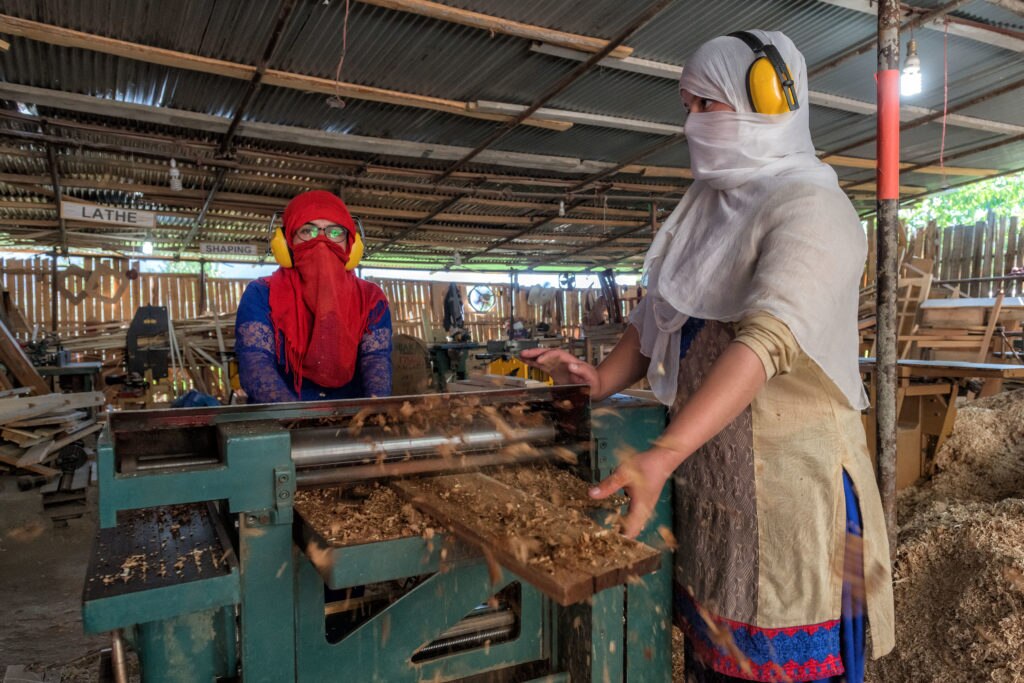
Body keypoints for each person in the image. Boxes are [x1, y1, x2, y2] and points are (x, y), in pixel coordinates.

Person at [523, 30, 894, 683]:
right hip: (714, 488)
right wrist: (600, 377)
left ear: (765, 102)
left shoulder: (816, 208)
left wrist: (664, 451)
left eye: (706, 105)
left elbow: (766, 341)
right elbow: (658, 315)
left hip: (798, 499)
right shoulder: (705, 209)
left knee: (796, 661)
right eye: (687, 107)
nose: (691, 124)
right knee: (716, 657)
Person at [235, 190, 392, 403]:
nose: (321, 242)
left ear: (351, 245)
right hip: (281, 422)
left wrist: (374, 414)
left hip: (353, 420)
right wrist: (298, 418)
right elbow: (255, 365)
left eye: (335, 233)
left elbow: (376, 363)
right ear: (286, 243)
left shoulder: (371, 298)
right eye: (307, 231)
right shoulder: (262, 294)